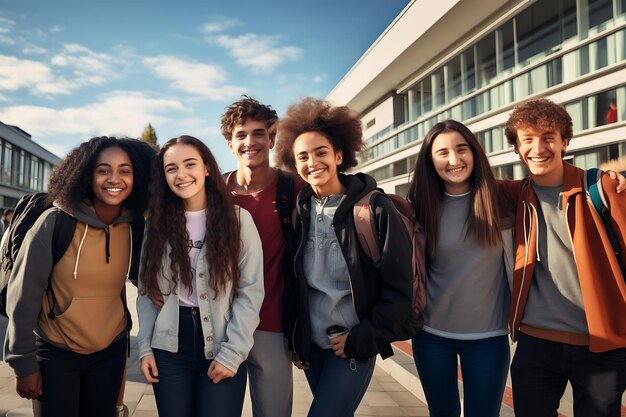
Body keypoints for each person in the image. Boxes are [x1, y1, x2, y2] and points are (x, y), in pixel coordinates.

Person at [274, 97, 414, 417]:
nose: (313, 162)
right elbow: (297, 284)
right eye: (303, 157)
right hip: (314, 348)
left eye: (321, 152)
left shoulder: (374, 208)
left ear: (339, 155)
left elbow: (399, 290)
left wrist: (363, 338)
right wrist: (299, 341)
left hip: (352, 344)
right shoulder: (299, 212)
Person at [3, 137, 154, 417]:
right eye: (103, 170)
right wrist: (24, 365)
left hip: (109, 353)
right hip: (56, 352)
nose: (114, 179)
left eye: (124, 171)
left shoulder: (133, 226)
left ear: (137, 177)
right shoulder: (55, 222)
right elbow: (23, 298)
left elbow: (147, 279)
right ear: (87, 175)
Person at [503, 98, 626, 417]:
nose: (537, 147)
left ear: (565, 142)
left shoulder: (603, 188)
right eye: (527, 139)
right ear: (517, 148)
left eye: (548, 137)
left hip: (602, 346)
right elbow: (458, 185)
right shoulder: (516, 194)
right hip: (535, 344)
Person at [136, 135, 264, 417]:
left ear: (206, 167)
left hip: (221, 340)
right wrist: (144, 347)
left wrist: (233, 353)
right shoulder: (156, 225)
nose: (181, 174)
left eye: (189, 164)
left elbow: (251, 293)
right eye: (171, 168)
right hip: (169, 345)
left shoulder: (239, 220)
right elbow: (146, 292)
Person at [405, 120, 513, 417]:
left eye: (461, 149)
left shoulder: (503, 200)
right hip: (430, 336)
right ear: (430, 161)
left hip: (488, 339)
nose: (454, 160)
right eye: (442, 153)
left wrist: (602, 177)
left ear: (475, 152)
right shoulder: (419, 207)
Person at [219, 96, 302, 417]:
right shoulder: (214, 192)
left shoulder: (293, 188)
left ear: (271, 138)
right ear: (230, 144)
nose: (249, 141)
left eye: (258, 133)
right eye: (241, 135)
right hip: (223, 327)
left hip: (274, 327)